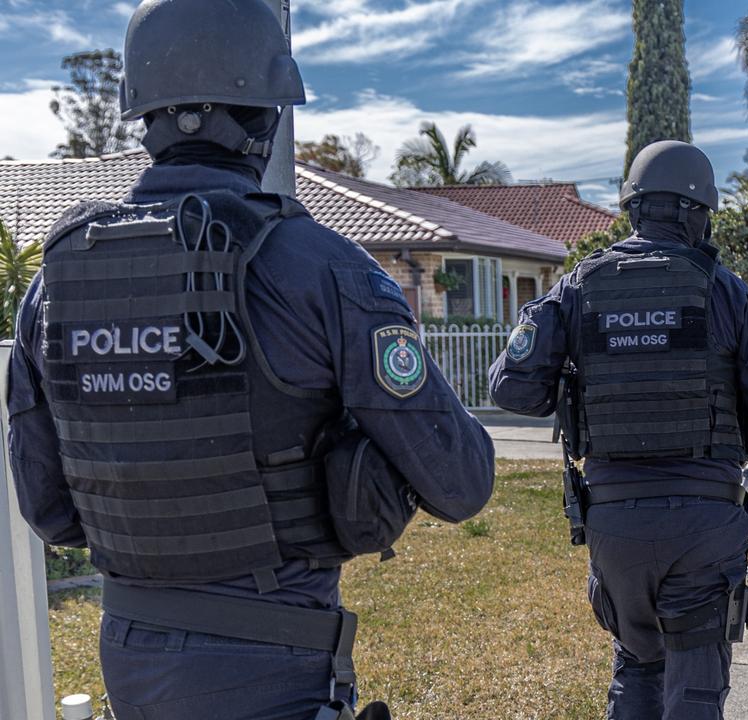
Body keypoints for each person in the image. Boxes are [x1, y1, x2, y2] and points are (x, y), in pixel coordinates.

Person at [6, 2, 495, 718]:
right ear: (265, 119)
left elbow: (51, 514)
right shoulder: (325, 268)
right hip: (275, 662)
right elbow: (461, 481)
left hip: (130, 657)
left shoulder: (58, 279)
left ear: (144, 115)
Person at [487, 141, 748, 720]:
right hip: (703, 526)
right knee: (695, 691)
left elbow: (513, 388)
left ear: (633, 209)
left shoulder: (580, 285)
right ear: (696, 212)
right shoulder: (729, 291)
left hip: (613, 527)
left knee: (637, 668)